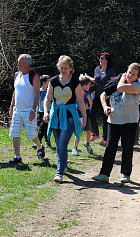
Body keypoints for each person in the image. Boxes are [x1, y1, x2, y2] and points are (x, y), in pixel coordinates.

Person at [92, 63, 140, 183]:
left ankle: (126, 174)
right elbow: (103, 94)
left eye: (133, 74)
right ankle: (104, 174)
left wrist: (121, 79)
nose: (130, 75)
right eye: (129, 72)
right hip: (113, 120)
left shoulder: (136, 86)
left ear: (137, 77)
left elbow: (120, 88)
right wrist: (105, 106)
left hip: (129, 122)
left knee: (127, 148)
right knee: (110, 147)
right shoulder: (119, 82)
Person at [43, 55, 86, 183]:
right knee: (58, 145)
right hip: (55, 115)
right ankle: (64, 166)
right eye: (61, 68)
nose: (63, 70)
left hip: (70, 115)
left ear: (71, 68)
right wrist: (46, 112)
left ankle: (59, 173)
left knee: (62, 144)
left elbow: (80, 100)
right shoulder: (54, 81)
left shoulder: (74, 82)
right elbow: (47, 98)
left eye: (65, 68)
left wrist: (84, 116)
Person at [7, 54, 45, 164]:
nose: (17, 64)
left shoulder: (34, 76)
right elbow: (15, 92)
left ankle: (40, 146)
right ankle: (17, 157)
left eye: (19, 62)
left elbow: (37, 94)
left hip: (29, 110)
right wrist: (11, 107)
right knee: (14, 132)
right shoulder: (16, 75)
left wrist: (33, 110)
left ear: (27, 64)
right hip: (17, 110)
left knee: (31, 134)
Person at [90, 52, 116, 144]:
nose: (100, 59)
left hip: (106, 96)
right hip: (97, 96)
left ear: (106, 60)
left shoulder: (111, 70)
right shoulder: (97, 69)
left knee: (105, 118)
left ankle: (105, 138)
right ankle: (95, 133)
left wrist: (110, 95)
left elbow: (114, 84)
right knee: (91, 113)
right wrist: (87, 82)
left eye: (102, 57)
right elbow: (95, 81)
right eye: (99, 57)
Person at [72, 74, 94, 156]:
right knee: (79, 132)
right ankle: (75, 148)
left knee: (89, 131)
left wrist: (88, 98)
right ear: (84, 85)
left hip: (87, 112)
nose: (90, 86)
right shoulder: (76, 91)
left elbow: (91, 103)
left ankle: (87, 144)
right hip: (79, 113)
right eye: (89, 85)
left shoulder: (88, 92)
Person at [32, 75, 52, 149]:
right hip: (41, 111)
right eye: (48, 81)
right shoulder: (39, 91)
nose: (50, 83)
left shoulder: (50, 91)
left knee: (42, 127)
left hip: (48, 111)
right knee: (45, 127)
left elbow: (52, 100)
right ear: (44, 83)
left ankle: (38, 142)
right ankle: (48, 141)